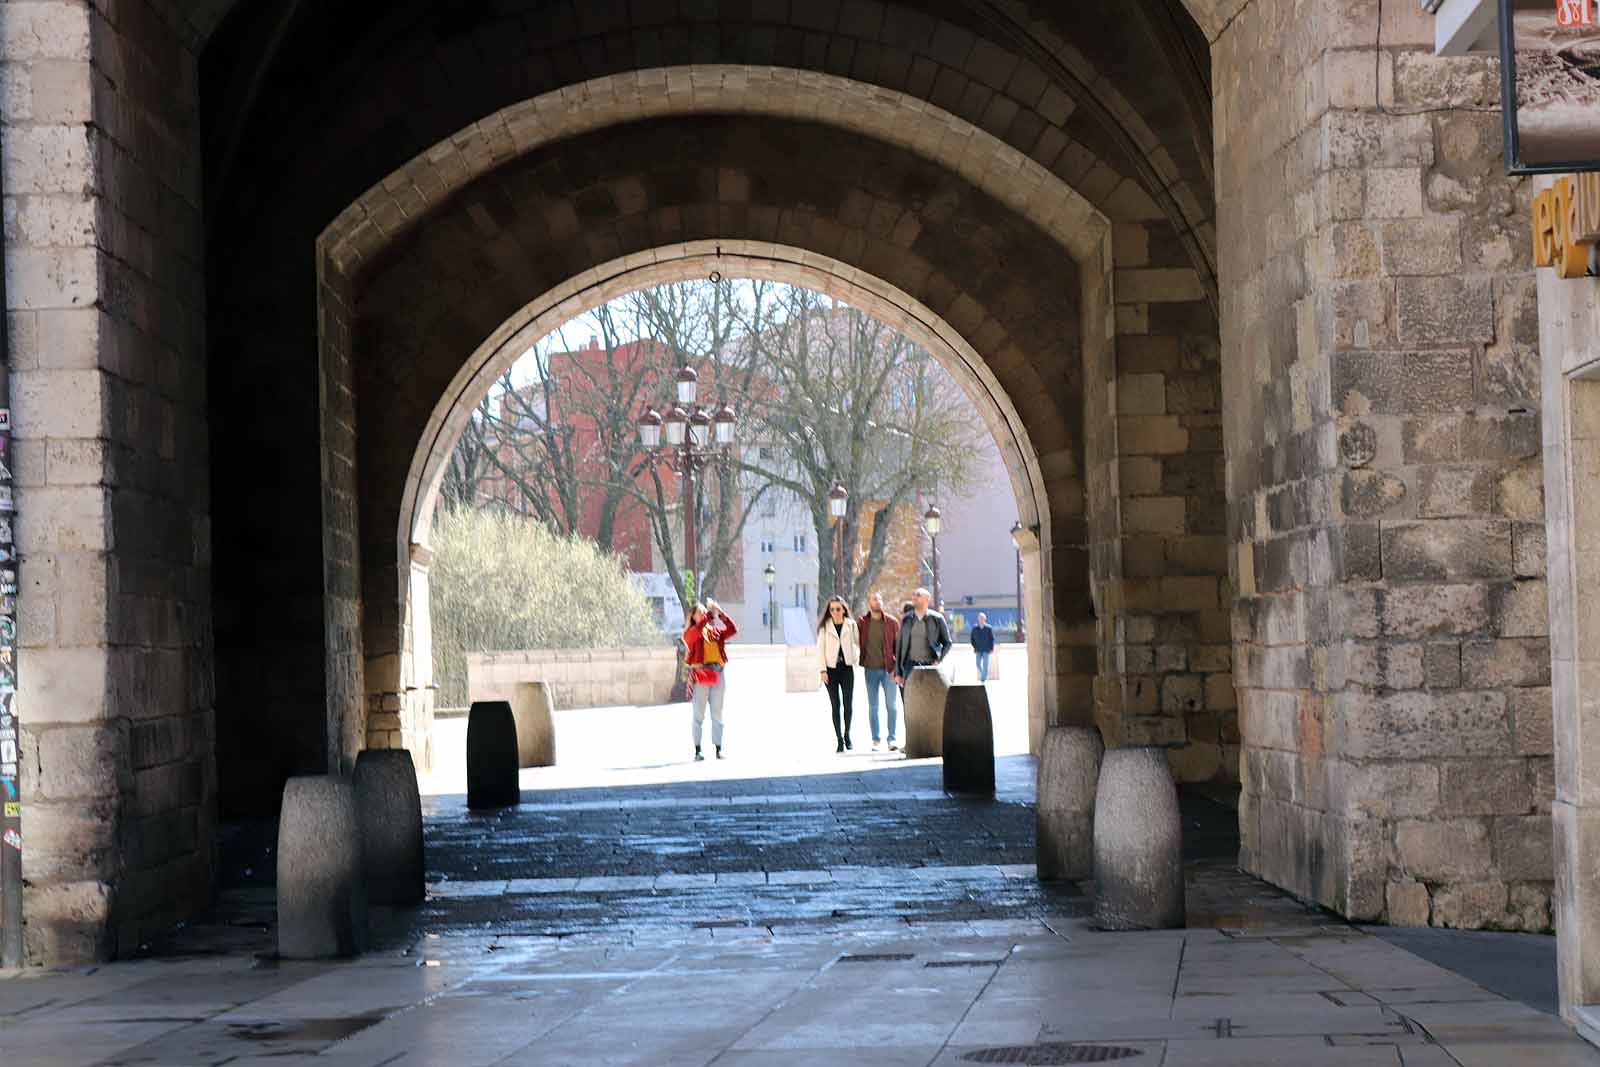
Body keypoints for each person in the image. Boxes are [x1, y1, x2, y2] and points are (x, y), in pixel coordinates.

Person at [683, 599, 737, 761]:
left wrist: (720, 613)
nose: (703, 614)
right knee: (698, 714)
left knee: (717, 712)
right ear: (692, 617)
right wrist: (709, 614)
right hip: (701, 674)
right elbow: (698, 630)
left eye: (703, 611)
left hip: (718, 672)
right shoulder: (691, 633)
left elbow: (733, 629)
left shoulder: (714, 631)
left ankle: (718, 749)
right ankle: (698, 750)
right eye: (699, 612)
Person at [857, 592, 901, 751]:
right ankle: (876, 740)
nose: (878, 601)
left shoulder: (892, 622)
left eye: (880, 599)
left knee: (892, 705)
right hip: (870, 670)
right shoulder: (862, 622)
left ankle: (892, 739)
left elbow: (899, 646)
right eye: (875, 599)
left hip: (889, 669)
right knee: (873, 706)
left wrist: (898, 668)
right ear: (869, 603)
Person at [817, 595, 861, 753]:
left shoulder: (851, 625)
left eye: (838, 609)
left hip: (847, 668)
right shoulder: (825, 627)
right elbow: (820, 650)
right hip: (831, 670)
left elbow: (857, 643)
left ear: (843, 610)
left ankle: (847, 734)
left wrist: (855, 657)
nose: (835, 612)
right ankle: (839, 740)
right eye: (832, 609)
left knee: (848, 704)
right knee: (835, 705)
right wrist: (823, 670)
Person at [894, 586, 952, 689]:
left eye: (918, 595)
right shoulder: (906, 619)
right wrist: (898, 673)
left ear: (927, 599)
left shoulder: (937, 619)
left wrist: (938, 660)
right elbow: (900, 646)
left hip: (930, 666)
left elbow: (947, 643)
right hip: (909, 667)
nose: (914, 597)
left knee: (930, 699)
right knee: (910, 701)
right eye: (913, 595)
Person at [970, 612, 995, 683]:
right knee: (977, 664)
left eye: (982, 618)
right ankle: (984, 675)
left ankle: (983, 678)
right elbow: (972, 639)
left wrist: (992, 648)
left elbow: (992, 639)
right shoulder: (975, 628)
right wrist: (974, 646)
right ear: (978, 619)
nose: (981, 619)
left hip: (986, 649)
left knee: (986, 665)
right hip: (978, 649)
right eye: (980, 618)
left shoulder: (988, 628)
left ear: (985, 619)